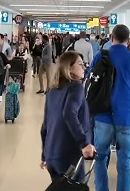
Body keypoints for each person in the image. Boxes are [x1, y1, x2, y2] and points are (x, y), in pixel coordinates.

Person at [91, 25, 130, 191]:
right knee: (124, 163)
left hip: (103, 114)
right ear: (128, 41)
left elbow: (91, 82)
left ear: (112, 37)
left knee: (100, 158)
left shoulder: (100, 56)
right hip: (127, 116)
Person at [40, 52, 95, 182]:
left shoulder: (52, 91)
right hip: (68, 155)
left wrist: (44, 155)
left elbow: (45, 126)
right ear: (68, 68)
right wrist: (84, 143)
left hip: (52, 155)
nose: (84, 67)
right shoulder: (76, 87)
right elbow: (69, 113)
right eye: (80, 64)